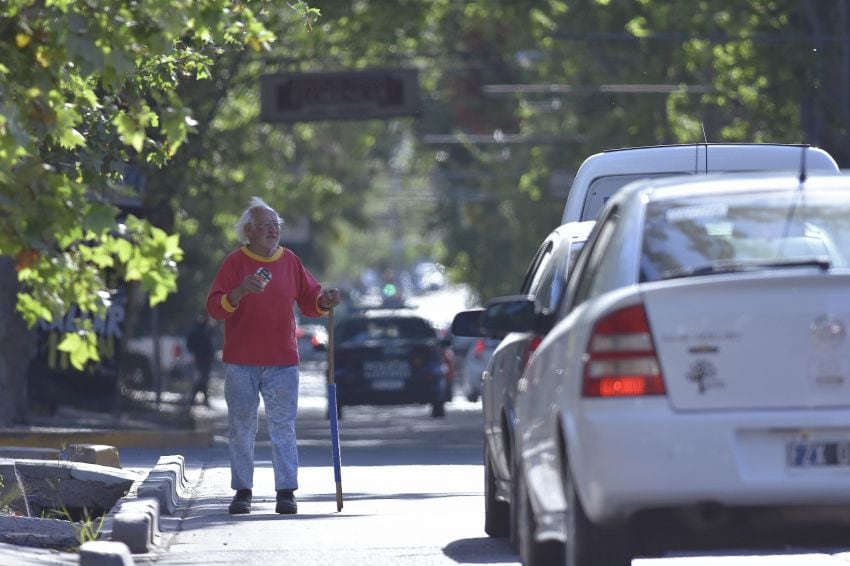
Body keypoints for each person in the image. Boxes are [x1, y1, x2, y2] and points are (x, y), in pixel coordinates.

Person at [206, 196, 340, 515]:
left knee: (283, 425)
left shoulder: (289, 260)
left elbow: (310, 300)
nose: (273, 230)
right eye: (266, 225)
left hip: (282, 360)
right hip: (241, 360)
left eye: (276, 225)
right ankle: (242, 491)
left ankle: (286, 491)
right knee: (241, 426)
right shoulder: (235, 263)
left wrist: (326, 300)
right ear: (249, 230)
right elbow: (214, 308)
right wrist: (238, 292)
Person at [185, 311, 216, 406]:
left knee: (204, 378)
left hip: (206, 358)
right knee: (198, 378)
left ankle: (203, 398)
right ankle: (195, 398)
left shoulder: (208, 329)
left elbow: (210, 344)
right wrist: (193, 353)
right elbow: (190, 342)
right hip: (198, 357)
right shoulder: (196, 328)